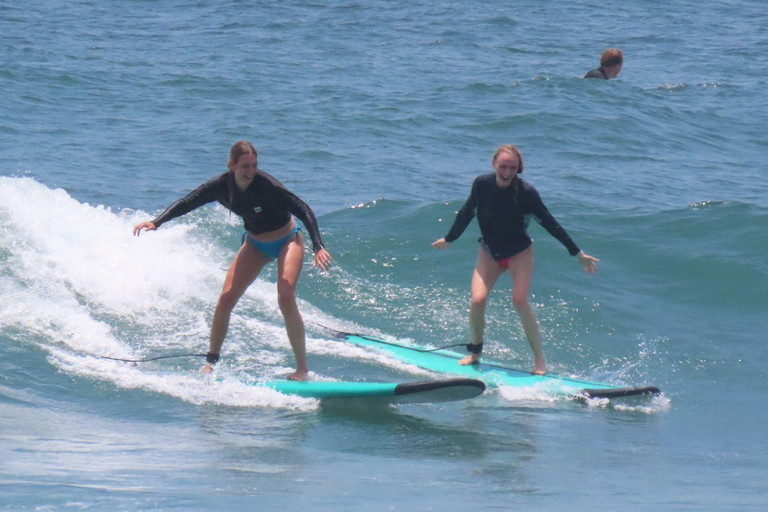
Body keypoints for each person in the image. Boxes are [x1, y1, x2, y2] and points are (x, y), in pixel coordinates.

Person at [133, 140, 332, 380]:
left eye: (254, 165)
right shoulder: (220, 186)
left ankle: (301, 368)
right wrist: (157, 221)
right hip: (255, 244)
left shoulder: (268, 186)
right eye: (245, 166)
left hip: (288, 240)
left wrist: (317, 246)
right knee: (226, 299)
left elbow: (303, 209)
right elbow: (189, 201)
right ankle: (211, 362)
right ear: (232, 166)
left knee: (286, 294)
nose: (251, 171)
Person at [431, 144, 598, 375]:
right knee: (478, 300)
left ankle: (539, 361)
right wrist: (450, 237)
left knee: (519, 301)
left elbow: (550, 222)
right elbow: (468, 211)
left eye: (512, 167)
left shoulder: (527, 192)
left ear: (519, 167)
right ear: (494, 165)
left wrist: (577, 253)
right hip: (489, 251)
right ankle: (475, 352)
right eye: (503, 166)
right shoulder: (482, 184)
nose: (507, 171)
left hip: (519, 252)